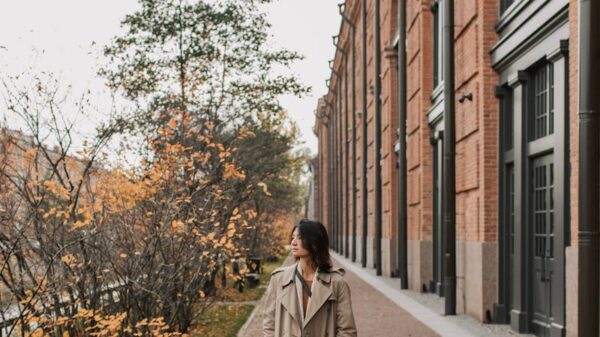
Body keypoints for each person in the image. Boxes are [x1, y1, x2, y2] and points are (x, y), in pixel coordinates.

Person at [263, 219, 357, 337]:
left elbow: (347, 330)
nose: (293, 242)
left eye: (300, 238)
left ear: (315, 243)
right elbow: (269, 324)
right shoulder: (279, 279)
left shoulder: (337, 283)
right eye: (293, 237)